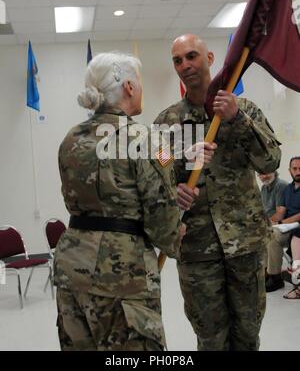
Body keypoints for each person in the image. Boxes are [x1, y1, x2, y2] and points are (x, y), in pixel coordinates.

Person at [154, 34, 281, 351]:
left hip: (245, 243)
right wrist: (176, 189)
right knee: (210, 337)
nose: (185, 65)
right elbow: (155, 179)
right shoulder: (166, 124)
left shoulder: (244, 110)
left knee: (248, 333)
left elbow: (270, 160)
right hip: (197, 250)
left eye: (192, 56)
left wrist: (238, 119)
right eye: (178, 60)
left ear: (210, 59)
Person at [53, 51, 187, 351]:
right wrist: (173, 239)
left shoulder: (71, 138)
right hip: (123, 274)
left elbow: (71, 198)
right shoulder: (147, 138)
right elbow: (162, 210)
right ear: (128, 87)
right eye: (138, 82)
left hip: (71, 268)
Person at [267, 156, 300, 293]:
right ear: (290, 170)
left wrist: (281, 222)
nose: (298, 171)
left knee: (274, 233)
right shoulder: (287, 189)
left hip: (297, 226)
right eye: (295, 168)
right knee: (268, 233)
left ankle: (278, 277)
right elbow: (282, 211)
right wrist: (271, 222)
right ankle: (273, 275)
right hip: (288, 228)